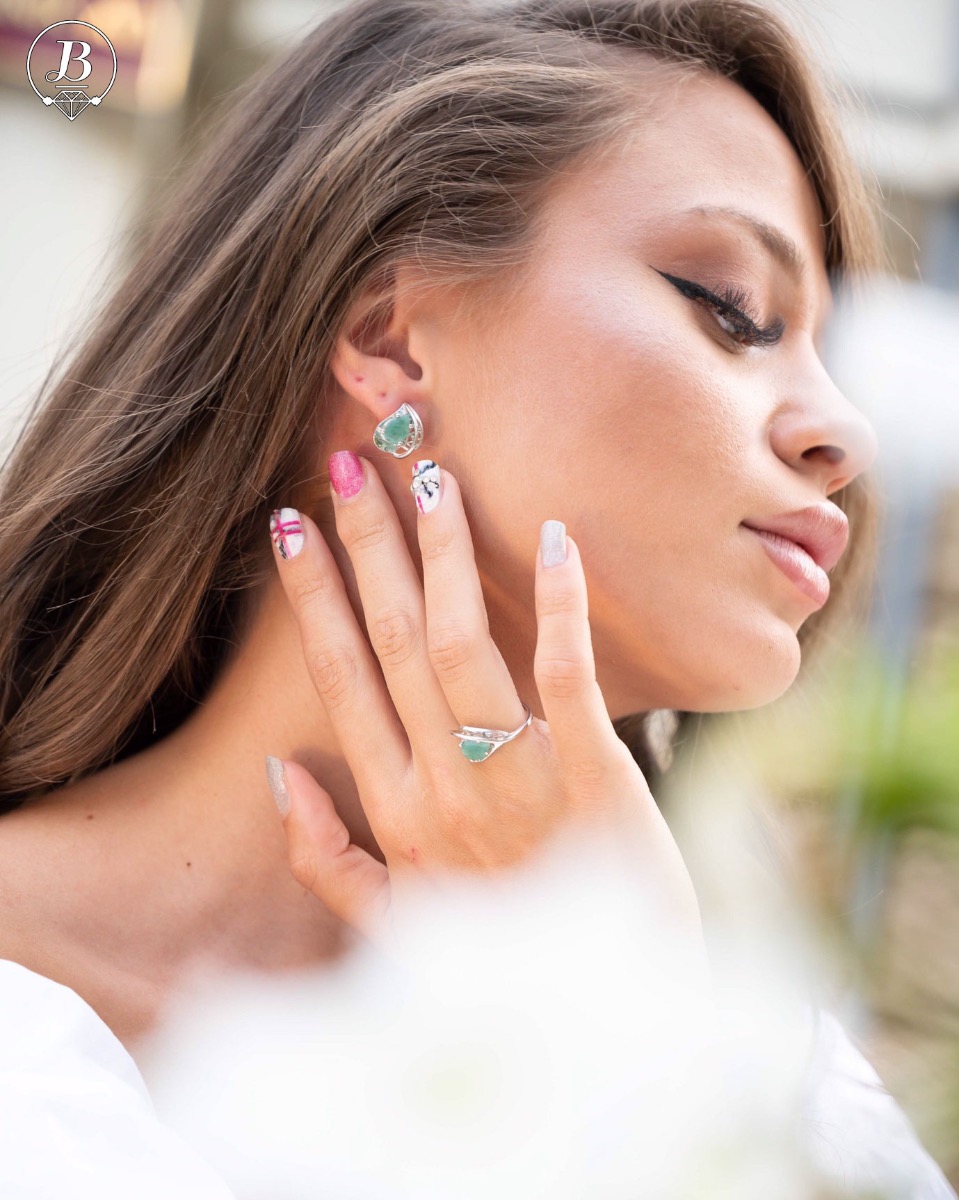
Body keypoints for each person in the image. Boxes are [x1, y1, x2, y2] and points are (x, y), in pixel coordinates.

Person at [0, 0, 954, 1194]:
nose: (844, 430)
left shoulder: (765, 1074)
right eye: (731, 309)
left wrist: (634, 1039)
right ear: (389, 340)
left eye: (826, 349)